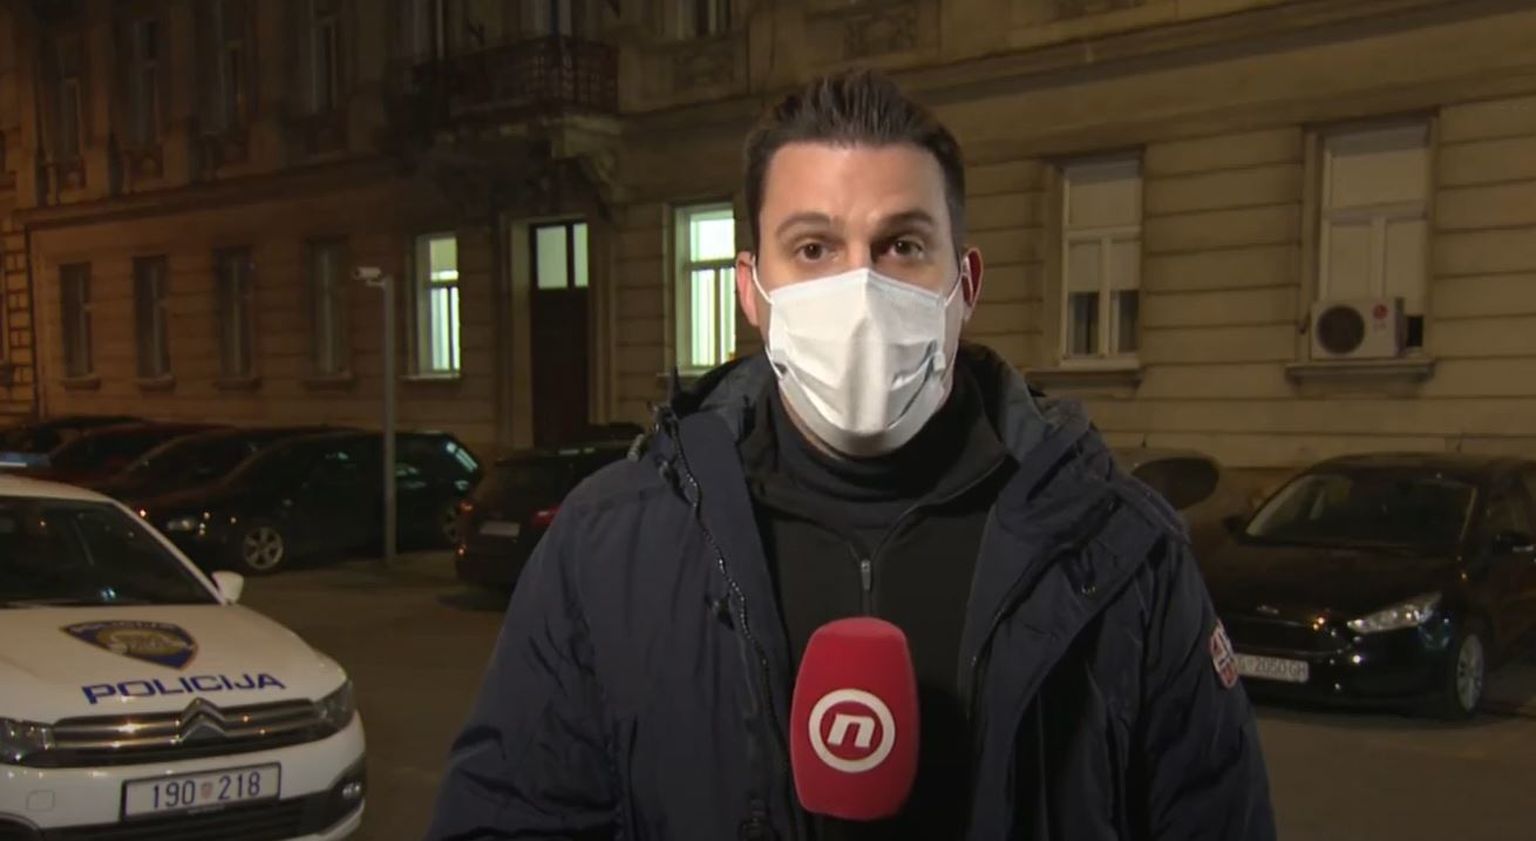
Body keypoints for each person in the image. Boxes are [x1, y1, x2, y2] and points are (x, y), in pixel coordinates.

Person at [425, 69, 1275, 841]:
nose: (860, 288)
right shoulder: (609, 544)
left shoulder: (1121, 552)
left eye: (902, 245)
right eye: (814, 248)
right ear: (750, 290)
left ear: (965, 285)